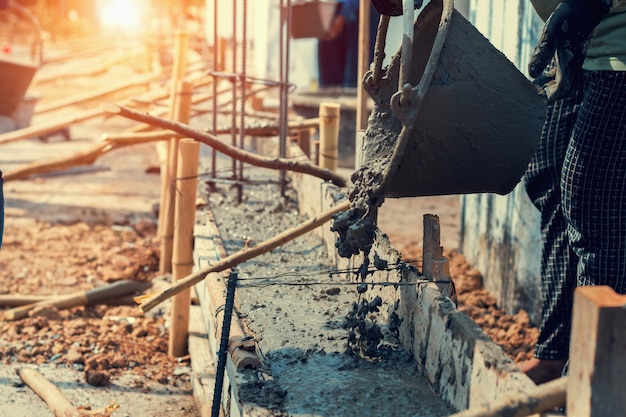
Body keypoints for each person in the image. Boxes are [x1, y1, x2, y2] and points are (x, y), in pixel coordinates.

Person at [521, 0, 626, 384]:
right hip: (581, 38)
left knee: (595, 209)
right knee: (548, 172)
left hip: (614, 46)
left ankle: (596, 386)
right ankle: (556, 354)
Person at [317, 0, 379, 88]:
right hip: (331, 7)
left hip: (362, 8)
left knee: (356, 75)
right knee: (329, 77)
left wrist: (344, 13)